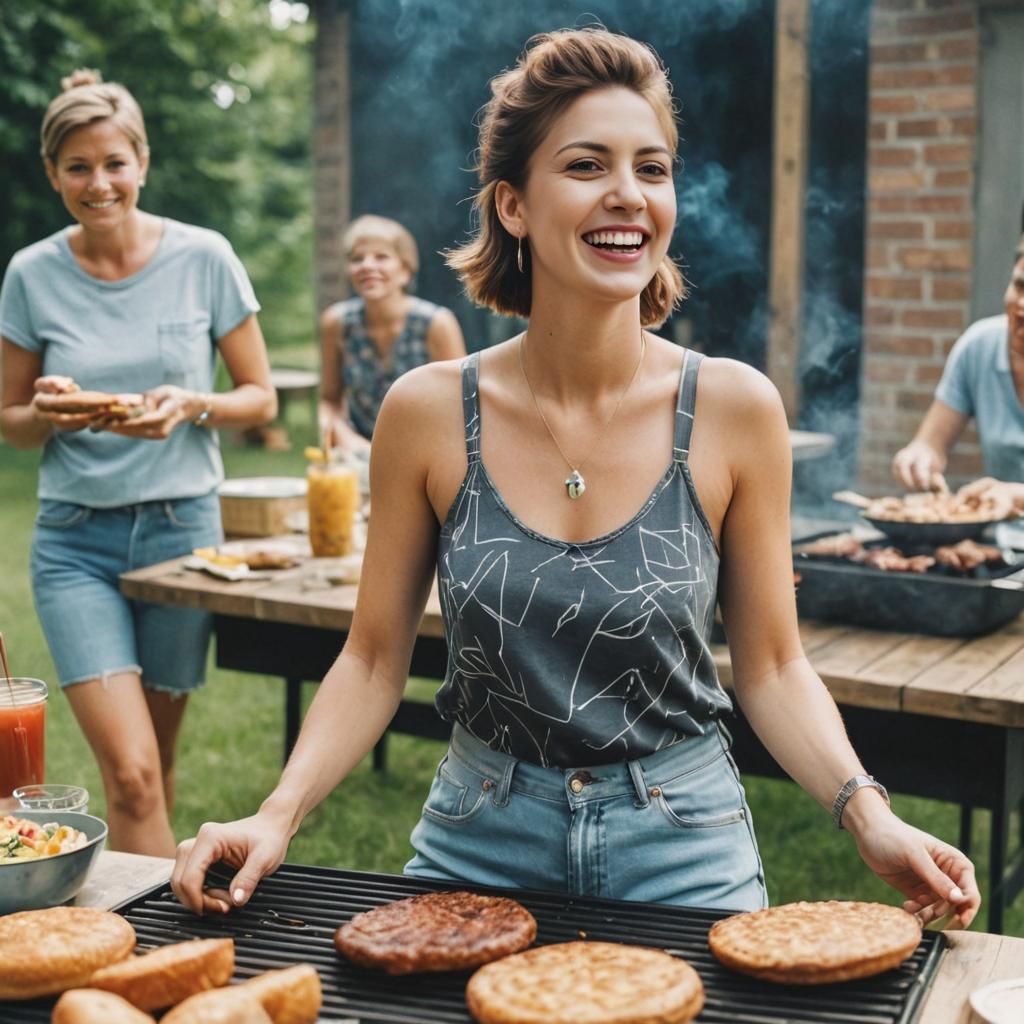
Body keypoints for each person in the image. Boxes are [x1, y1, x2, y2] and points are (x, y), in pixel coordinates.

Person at [172, 29, 979, 928]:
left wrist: (869, 815)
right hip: (480, 829)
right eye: (588, 166)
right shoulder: (428, 410)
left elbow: (776, 666)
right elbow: (370, 658)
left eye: (653, 168)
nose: (629, 195)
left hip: (684, 838)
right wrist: (276, 812)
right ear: (513, 205)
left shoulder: (735, 408)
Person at [0, 70, 277, 857]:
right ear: (53, 174)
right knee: (130, 774)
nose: (99, 183)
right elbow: (11, 424)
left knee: (153, 767)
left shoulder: (204, 257)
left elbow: (260, 398)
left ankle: (144, 935)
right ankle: (154, 956)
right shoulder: (32, 272)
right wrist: (47, 412)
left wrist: (191, 403)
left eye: (114, 163)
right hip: (74, 543)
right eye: (78, 167)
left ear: (142, 163)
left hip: (182, 538)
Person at [892, 235, 1024, 515]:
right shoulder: (979, 347)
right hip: (1004, 547)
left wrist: (1014, 495)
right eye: (1019, 285)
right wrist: (920, 457)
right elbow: (930, 443)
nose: (1022, 305)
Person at [318, 215, 466, 456]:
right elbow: (329, 401)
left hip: (427, 452)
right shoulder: (337, 323)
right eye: (357, 259)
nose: (367, 265)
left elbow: (461, 406)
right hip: (359, 454)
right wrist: (349, 441)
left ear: (405, 271)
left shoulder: (436, 324)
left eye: (381, 257)